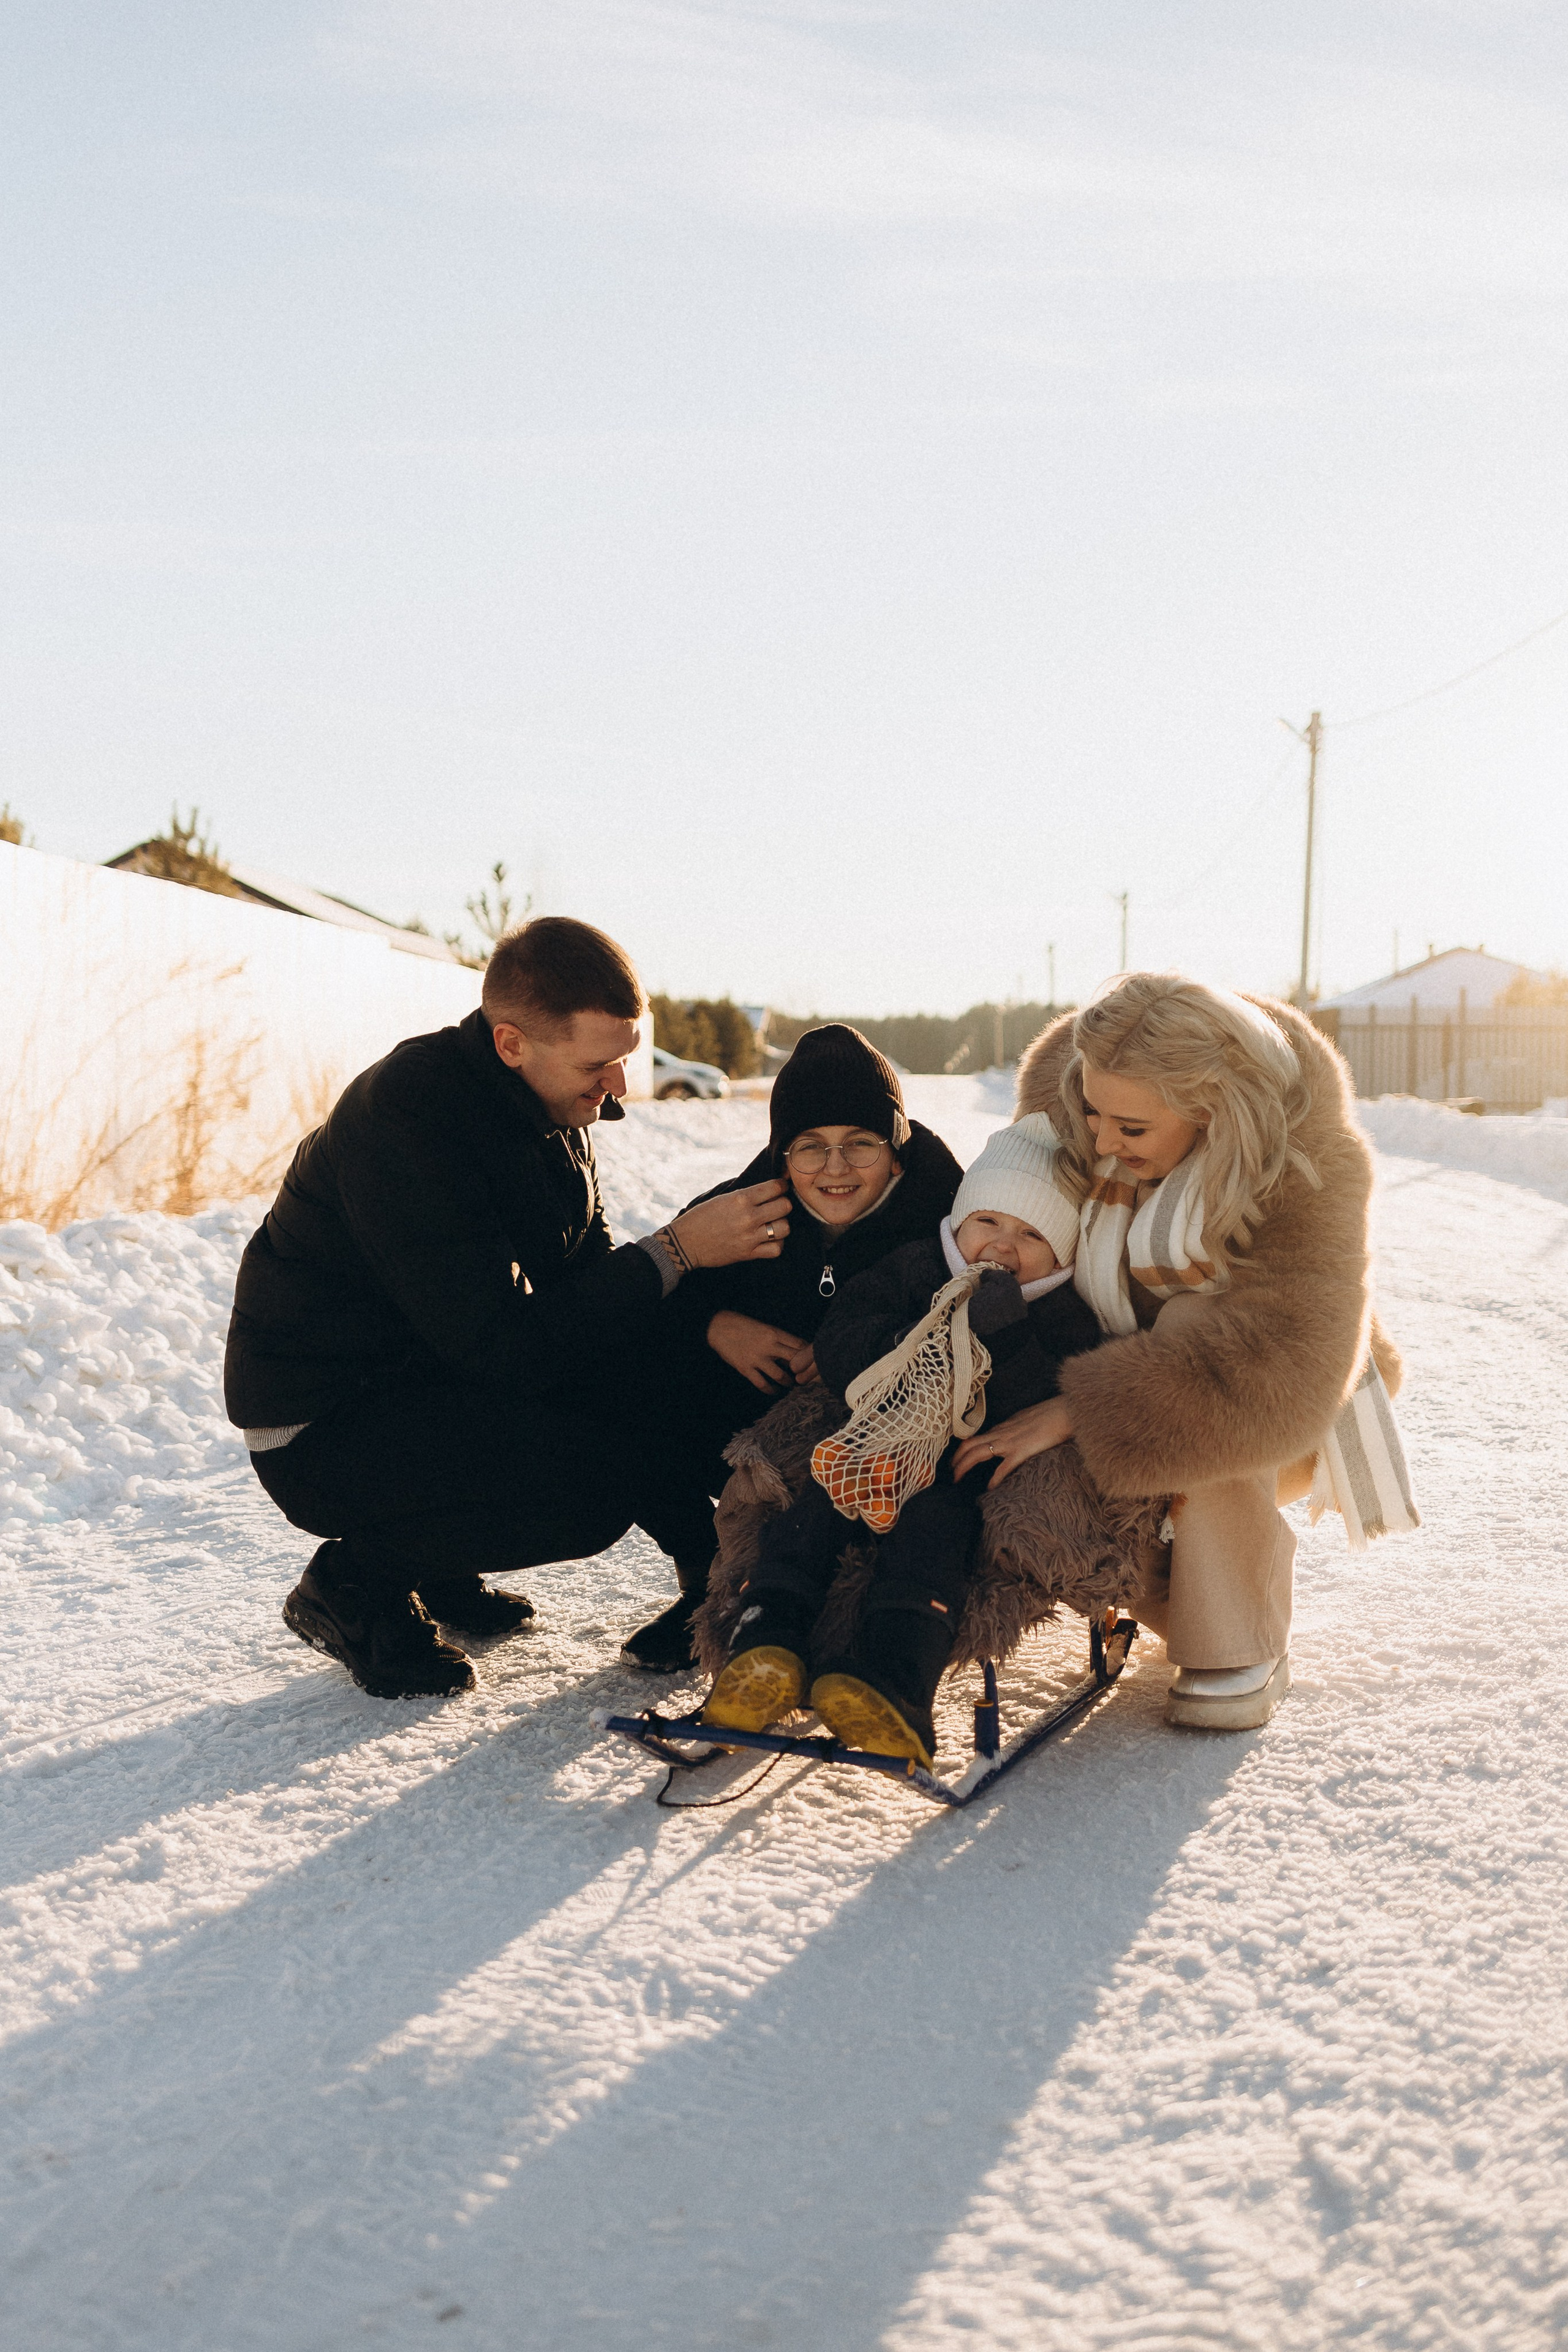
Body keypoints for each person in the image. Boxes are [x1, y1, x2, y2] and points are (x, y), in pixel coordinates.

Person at [223, 917, 790, 1700]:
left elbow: (588, 1299)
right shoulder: (406, 1121)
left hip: (425, 1379)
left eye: (623, 1060)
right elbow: (502, 1350)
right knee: (586, 1495)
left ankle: (709, 1582)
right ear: (512, 1044)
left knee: (628, 1374)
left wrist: (703, 1320)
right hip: (323, 1426)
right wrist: (680, 1251)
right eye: (599, 1065)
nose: (619, 1086)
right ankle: (355, 1584)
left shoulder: (544, 1106)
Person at [958, 971, 1399, 1731]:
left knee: (1197, 1318)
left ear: (1212, 1110)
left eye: (1130, 1130)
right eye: (1092, 1113)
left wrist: (1079, 1409)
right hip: (1113, 1373)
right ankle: (1139, 1572)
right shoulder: (1075, 1113)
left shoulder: (1311, 1165)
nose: (1099, 1141)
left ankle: (1237, 1639)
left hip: (1273, 1405)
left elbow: (1276, 1366)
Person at [699, 1114, 1100, 1766]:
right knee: (810, 1515)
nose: (1002, 1246)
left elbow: (1051, 1400)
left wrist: (1010, 1336)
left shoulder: (1059, 1311)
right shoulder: (916, 1268)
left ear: (1061, 1253)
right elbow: (840, 1334)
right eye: (988, 1223)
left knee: (930, 1540)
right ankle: (764, 1644)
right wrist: (896, 1345)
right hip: (874, 1444)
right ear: (960, 1223)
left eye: (1031, 1234)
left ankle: (897, 1681)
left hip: (957, 1472)